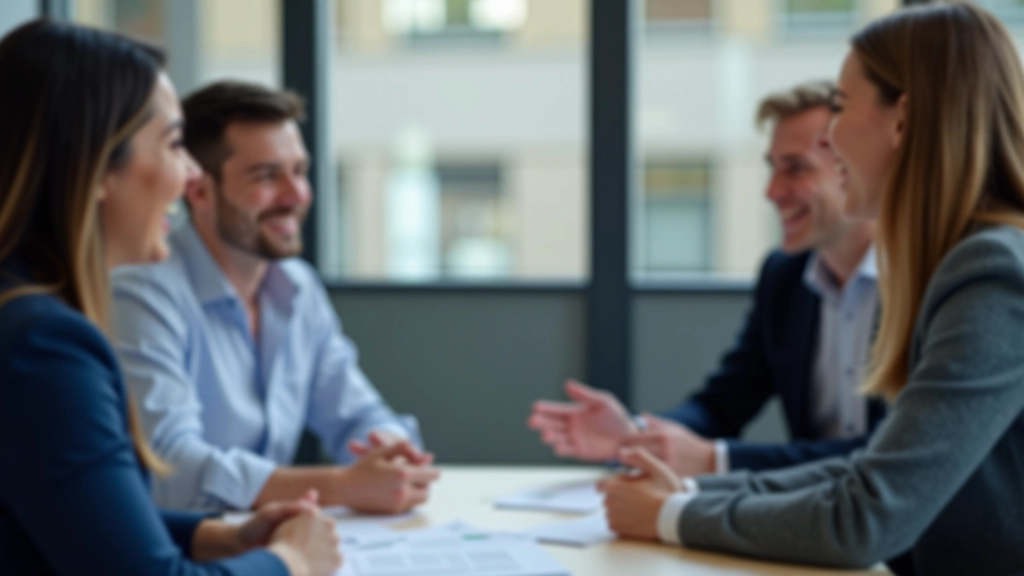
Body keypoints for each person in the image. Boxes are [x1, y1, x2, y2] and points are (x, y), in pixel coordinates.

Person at [601, 4, 1024, 575]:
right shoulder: (957, 261)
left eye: (844, 108)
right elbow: (872, 469)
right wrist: (693, 497)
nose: (832, 135)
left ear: (903, 120)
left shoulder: (993, 274)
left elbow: (866, 518)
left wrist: (672, 515)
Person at [0, 19, 341, 576]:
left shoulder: (24, 314)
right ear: (96, 167)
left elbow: (81, 518)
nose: (189, 176)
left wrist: (222, 537)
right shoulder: (44, 346)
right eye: (175, 144)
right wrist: (291, 563)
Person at [111, 80, 440, 513]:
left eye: (299, 171)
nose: (297, 196)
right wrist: (341, 486)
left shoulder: (297, 288)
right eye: (267, 176)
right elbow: (169, 469)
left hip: (266, 542)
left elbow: (357, 414)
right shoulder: (144, 292)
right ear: (199, 191)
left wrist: (393, 452)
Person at [528, 80, 883, 477]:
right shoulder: (784, 277)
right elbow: (721, 405)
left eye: (796, 168)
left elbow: (897, 455)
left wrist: (717, 460)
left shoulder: (929, 284)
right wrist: (635, 435)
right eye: (772, 167)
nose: (771, 191)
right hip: (817, 521)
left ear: (856, 169)